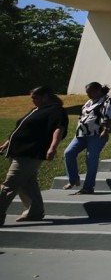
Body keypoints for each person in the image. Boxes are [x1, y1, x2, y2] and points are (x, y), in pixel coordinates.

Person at [0, 87, 69, 224]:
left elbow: (59, 128)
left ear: (45, 96)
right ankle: (34, 211)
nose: (33, 100)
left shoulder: (56, 110)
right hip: (17, 152)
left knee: (9, 184)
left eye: (35, 97)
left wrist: (53, 148)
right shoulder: (37, 110)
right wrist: (6, 144)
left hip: (30, 153)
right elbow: (21, 128)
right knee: (27, 183)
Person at [63, 82, 111, 196]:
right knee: (68, 153)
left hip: (96, 134)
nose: (88, 94)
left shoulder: (108, 100)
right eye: (87, 92)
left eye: (90, 92)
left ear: (98, 90)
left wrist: (106, 129)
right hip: (81, 134)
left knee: (91, 159)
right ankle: (73, 179)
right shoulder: (89, 102)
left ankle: (88, 187)